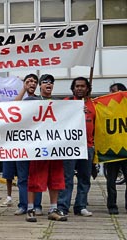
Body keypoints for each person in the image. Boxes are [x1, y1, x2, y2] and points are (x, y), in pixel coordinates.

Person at [24, 74, 67, 222]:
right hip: (38, 147)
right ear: (40, 86)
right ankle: (30, 209)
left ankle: (53, 209)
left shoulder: (59, 103)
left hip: (55, 147)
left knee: (55, 178)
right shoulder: (31, 101)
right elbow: (15, 110)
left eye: (51, 82)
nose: (48, 84)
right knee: (35, 177)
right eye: (45, 82)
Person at [1, 74, 43, 215]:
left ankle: (37, 205)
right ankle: (23, 205)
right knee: (22, 177)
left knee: (36, 177)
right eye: (28, 81)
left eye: (34, 82)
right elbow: (13, 107)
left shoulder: (40, 99)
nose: (32, 83)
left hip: (36, 144)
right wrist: (23, 90)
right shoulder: (21, 100)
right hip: (22, 145)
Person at [58, 77, 95, 217]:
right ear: (73, 88)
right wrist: (74, 111)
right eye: (77, 86)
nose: (79, 88)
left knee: (84, 178)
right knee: (67, 178)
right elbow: (58, 119)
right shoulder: (66, 103)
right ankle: (63, 206)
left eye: (82, 86)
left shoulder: (94, 105)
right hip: (70, 147)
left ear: (87, 88)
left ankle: (81, 206)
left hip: (87, 147)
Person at [104, 82, 127, 215]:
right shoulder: (107, 107)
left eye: (113, 91)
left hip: (125, 149)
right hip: (111, 150)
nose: (110, 94)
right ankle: (112, 205)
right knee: (111, 180)